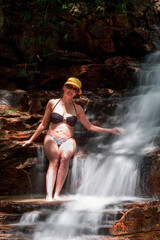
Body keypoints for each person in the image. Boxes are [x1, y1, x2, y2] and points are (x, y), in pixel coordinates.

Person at [21, 77, 122, 201]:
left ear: (76, 93)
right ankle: (49, 196)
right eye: (69, 87)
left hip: (68, 139)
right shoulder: (53, 103)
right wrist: (30, 140)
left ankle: (57, 194)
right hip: (51, 137)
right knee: (54, 160)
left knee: (64, 158)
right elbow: (43, 124)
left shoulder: (77, 108)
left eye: (74, 89)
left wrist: (110, 130)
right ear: (64, 87)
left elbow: (89, 126)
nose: (71, 90)